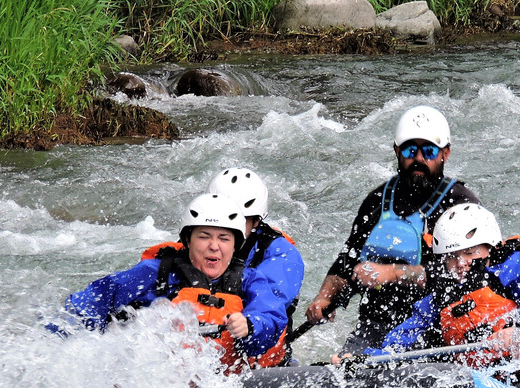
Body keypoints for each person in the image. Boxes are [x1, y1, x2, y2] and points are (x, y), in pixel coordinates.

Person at [304, 106, 480, 353]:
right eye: (410, 150)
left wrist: (394, 273)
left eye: (428, 151)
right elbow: (348, 260)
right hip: (376, 325)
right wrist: (324, 297)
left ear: (445, 154)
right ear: (397, 151)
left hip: (436, 327)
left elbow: (472, 273)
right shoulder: (377, 200)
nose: (418, 159)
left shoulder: (461, 204)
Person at [62, 193, 288, 372]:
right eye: (204, 236)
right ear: (188, 240)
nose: (214, 246)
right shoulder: (155, 273)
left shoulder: (250, 281)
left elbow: (272, 318)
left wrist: (250, 326)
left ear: (235, 245)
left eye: (224, 238)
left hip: (224, 384)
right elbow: (91, 301)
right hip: (158, 381)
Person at [342, 203, 520, 367]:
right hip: (482, 381)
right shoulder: (441, 296)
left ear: (489, 248)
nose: (460, 264)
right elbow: (400, 341)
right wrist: (365, 359)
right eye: (452, 257)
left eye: (469, 253)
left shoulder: (517, 266)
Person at [204, 167, 304, 365]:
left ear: (256, 220)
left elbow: (269, 309)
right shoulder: (197, 245)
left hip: (259, 364)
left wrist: (249, 325)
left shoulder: (281, 254)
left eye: (237, 218)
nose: (227, 224)